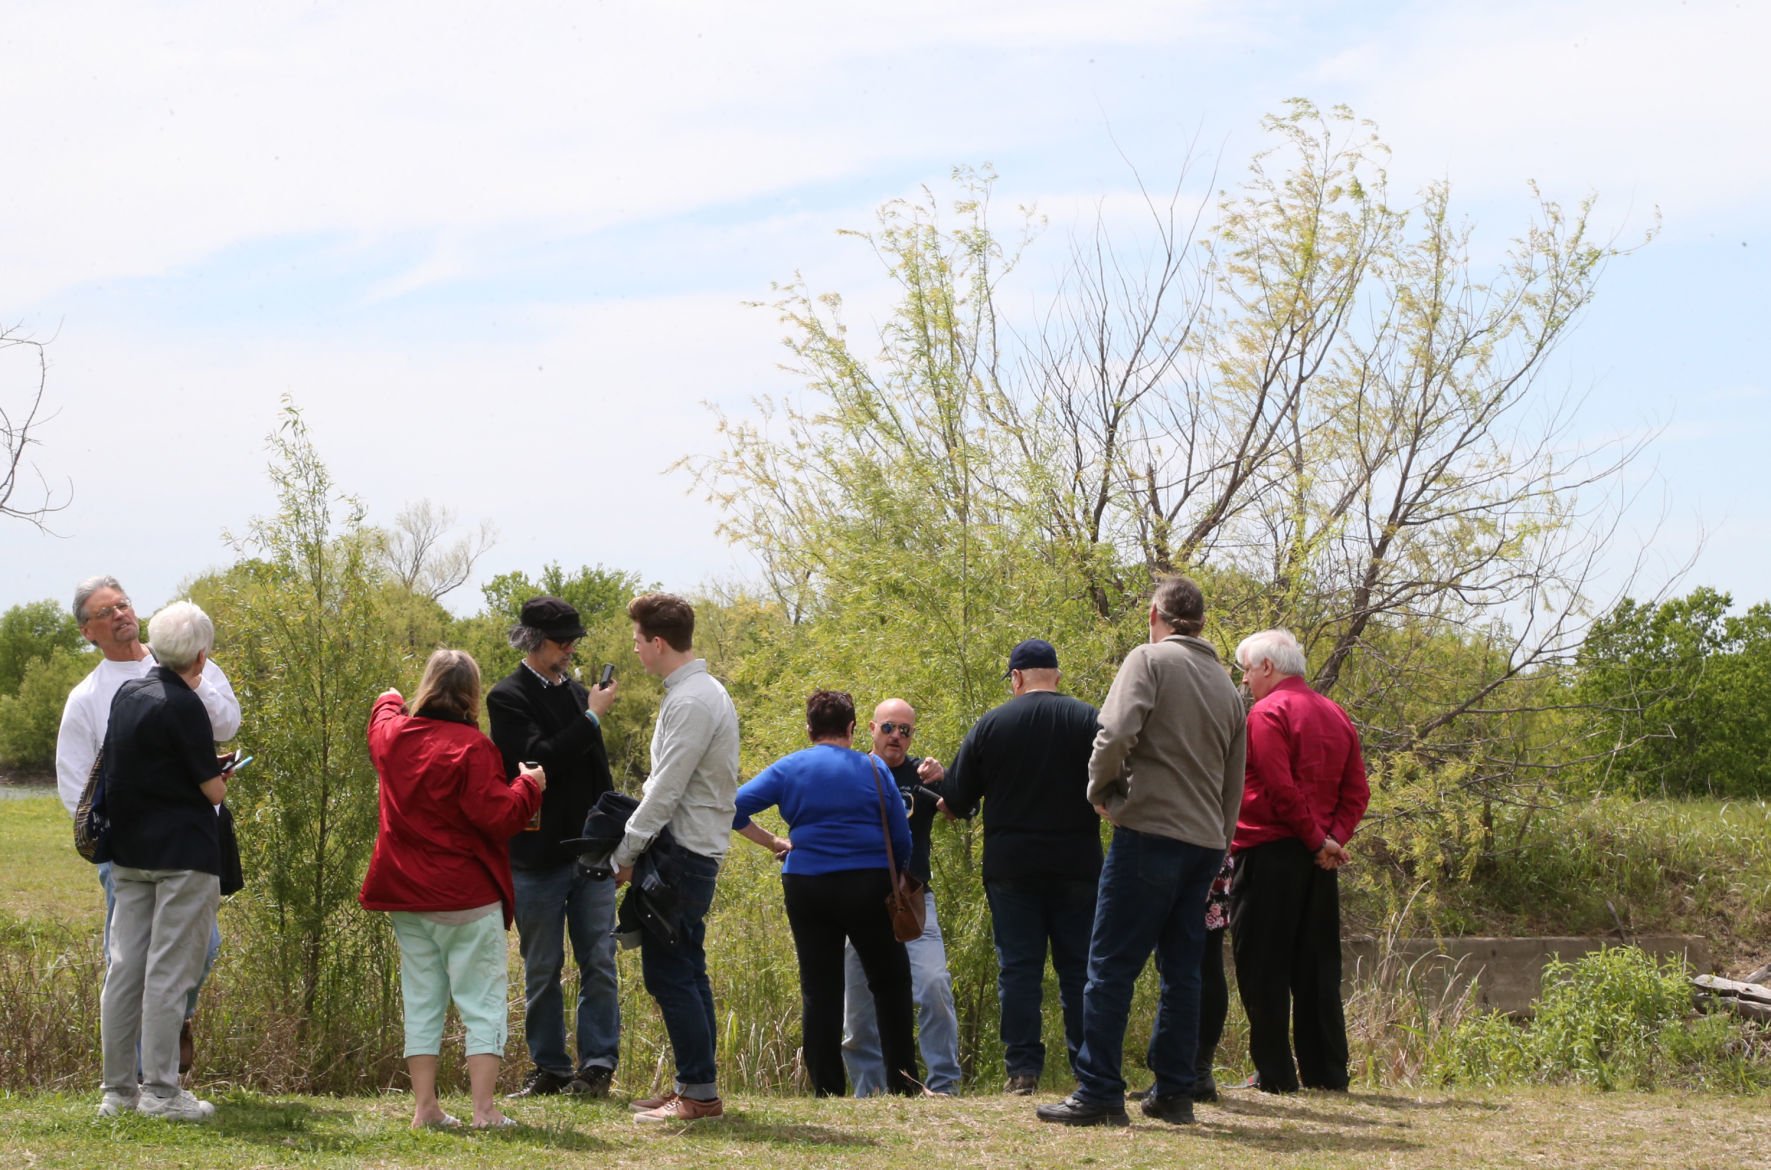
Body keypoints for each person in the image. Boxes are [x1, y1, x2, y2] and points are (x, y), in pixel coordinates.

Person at [1036, 576, 1247, 1127]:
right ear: (1200, 619)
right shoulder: (1228, 687)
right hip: (1204, 842)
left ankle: (1100, 1091)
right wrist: (1218, 842)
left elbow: (1113, 733)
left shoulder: (1148, 661)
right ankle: (1175, 1092)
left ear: (1155, 613)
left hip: (1150, 832)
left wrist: (1100, 793)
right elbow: (1233, 780)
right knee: (1184, 971)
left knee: (1109, 965)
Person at [57, 575, 240, 1075]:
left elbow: (225, 724)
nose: (119, 614)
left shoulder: (182, 657)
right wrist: (110, 843)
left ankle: (163, 1035)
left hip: (193, 838)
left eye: (123, 604)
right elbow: (77, 785)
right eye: (105, 612)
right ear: (87, 632)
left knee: (201, 949)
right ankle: (143, 1080)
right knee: (132, 966)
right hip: (129, 852)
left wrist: (196, 680)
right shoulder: (88, 697)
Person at [360, 649, 545, 1130]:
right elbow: (500, 817)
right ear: (471, 694)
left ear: (427, 686)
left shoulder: (394, 738)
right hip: (466, 894)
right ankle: (483, 1110)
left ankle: (426, 1108)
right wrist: (530, 787)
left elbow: (382, 714)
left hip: (407, 893)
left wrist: (392, 697)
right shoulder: (473, 747)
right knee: (480, 1001)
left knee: (421, 998)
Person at [733, 690, 920, 1098]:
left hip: (807, 884)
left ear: (809, 729)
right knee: (889, 981)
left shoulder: (788, 768)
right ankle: (903, 1082)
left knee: (820, 987)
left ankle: (827, 1089)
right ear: (853, 729)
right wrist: (898, 878)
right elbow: (901, 835)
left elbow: (731, 807)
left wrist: (773, 842)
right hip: (869, 884)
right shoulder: (874, 768)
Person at [942, 638, 1101, 1095]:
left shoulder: (992, 724)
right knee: (1080, 970)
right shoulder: (1089, 719)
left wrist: (942, 783)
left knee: (1019, 969)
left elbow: (957, 797)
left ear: (1016, 678)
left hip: (1012, 867)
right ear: (1056, 675)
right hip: (1077, 863)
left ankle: (1023, 1071)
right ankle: (1089, 1067)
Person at [97, 601, 234, 1121]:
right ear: (201, 656)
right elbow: (212, 791)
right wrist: (222, 774)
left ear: (155, 646)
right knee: (169, 973)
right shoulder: (186, 705)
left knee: (126, 968)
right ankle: (160, 1091)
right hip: (183, 856)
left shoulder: (128, 694)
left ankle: (118, 1092)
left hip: (129, 853)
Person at [486, 596, 622, 1099]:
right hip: (536, 857)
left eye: (574, 641)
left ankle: (597, 1068)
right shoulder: (507, 697)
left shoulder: (579, 696)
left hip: (590, 857)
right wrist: (590, 721)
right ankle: (550, 1068)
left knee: (599, 963)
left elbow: (599, 779)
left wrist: (619, 848)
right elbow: (537, 760)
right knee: (541, 968)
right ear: (533, 640)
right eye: (562, 641)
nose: (569, 649)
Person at [613, 593, 740, 1123]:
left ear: (658, 642)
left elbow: (665, 789)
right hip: (691, 851)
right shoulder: (700, 692)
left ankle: (699, 1097)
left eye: (639, 641)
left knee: (670, 974)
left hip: (681, 854)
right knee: (688, 968)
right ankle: (696, 1084)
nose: (636, 650)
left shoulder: (691, 700)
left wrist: (625, 851)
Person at [1229, 628, 1369, 1094]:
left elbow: (1278, 787)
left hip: (1269, 851)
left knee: (1262, 964)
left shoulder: (1267, 713)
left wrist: (1315, 840)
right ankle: (1327, 1071)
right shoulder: (1336, 713)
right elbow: (1357, 792)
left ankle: (1275, 1072)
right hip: (1319, 861)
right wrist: (1332, 840)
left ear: (1267, 666)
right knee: (1317, 966)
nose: (1245, 681)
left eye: (1247, 670)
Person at [841, 698, 962, 1096]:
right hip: (861, 904)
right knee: (858, 1010)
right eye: (889, 728)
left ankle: (943, 1086)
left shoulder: (923, 777)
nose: (897, 737)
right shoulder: (851, 771)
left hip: (913, 903)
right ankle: (869, 1092)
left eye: (905, 730)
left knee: (933, 987)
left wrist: (947, 780)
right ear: (871, 729)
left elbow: (962, 810)